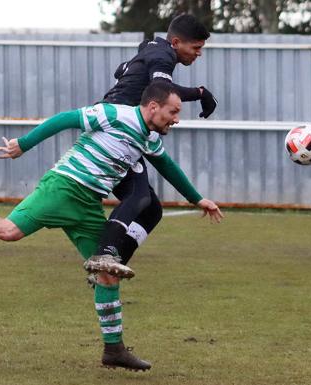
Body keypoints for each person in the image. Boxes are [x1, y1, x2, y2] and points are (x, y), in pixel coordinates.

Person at [0, 82, 223, 371]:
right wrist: (22, 144)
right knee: (8, 231)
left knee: (108, 273)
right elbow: (65, 119)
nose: (177, 118)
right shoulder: (114, 114)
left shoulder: (149, 136)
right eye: (173, 111)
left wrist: (198, 199)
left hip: (88, 204)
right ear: (153, 106)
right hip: (64, 187)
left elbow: (167, 165)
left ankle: (114, 350)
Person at [93, 14, 217, 272]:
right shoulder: (163, 57)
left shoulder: (151, 49)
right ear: (176, 42)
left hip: (124, 131)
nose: (198, 54)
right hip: (119, 134)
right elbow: (161, 87)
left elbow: (123, 70)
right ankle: (105, 254)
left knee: (151, 211)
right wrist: (200, 93)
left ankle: (112, 266)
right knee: (138, 196)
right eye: (196, 48)